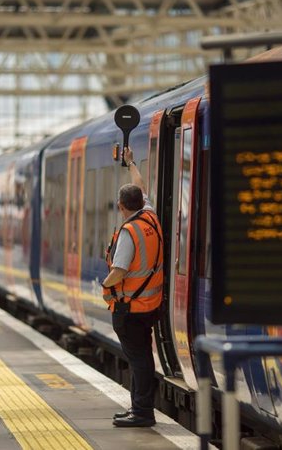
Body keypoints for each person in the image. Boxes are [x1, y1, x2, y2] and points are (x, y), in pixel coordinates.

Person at [102, 147, 164, 428]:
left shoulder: (129, 231)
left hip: (130, 308)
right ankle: (139, 409)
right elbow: (140, 186)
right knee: (143, 358)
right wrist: (130, 163)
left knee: (139, 360)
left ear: (120, 205)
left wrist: (105, 284)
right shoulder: (150, 218)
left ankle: (141, 412)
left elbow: (120, 270)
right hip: (149, 306)